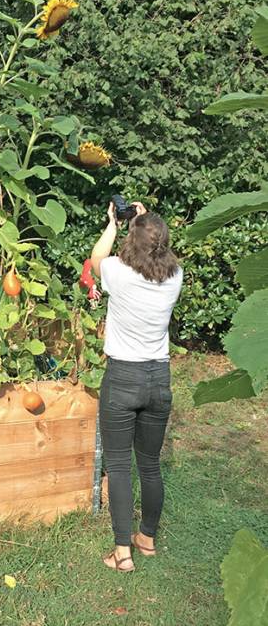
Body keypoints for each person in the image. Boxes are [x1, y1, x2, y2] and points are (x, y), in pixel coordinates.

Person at [90, 201, 183, 572]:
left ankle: (121, 553)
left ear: (133, 239)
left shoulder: (118, 272)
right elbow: (153, 252)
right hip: (158, 379)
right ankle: (146, 538)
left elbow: (98, 256)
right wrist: (145, 223)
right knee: (149, 464)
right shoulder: (175, 276)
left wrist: (115, 224)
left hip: (123, 377)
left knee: (118, 463)